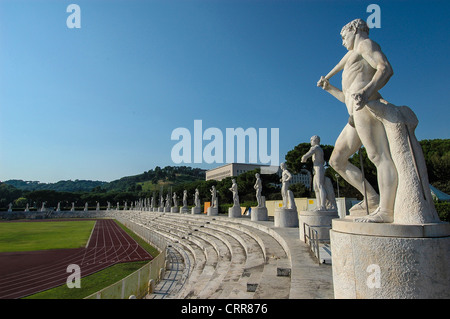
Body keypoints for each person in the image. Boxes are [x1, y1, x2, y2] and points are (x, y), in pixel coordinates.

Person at [317, 19, 396, 223]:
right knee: (336, 160)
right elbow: (348, 98)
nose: (343, 42)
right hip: (354, 112)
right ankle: (371, 196)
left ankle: (386, 211)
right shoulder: (354, 54)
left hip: (366, 106)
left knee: (378, 156)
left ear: (354, 30)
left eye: (344, 37)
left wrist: (366, 91)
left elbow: (385, 68)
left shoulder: (365, 44)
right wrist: (330, 88)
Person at [301, 135, 327, 211]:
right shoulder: (318, 148)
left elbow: (309, 153)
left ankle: (322, 206)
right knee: (315, 188)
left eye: (311, 140)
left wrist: (304, 157)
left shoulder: (316, 148)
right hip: (315, 169)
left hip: (319, 168)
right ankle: (319, 205)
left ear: (316, 140)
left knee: (320, 186)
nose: (310, 142)